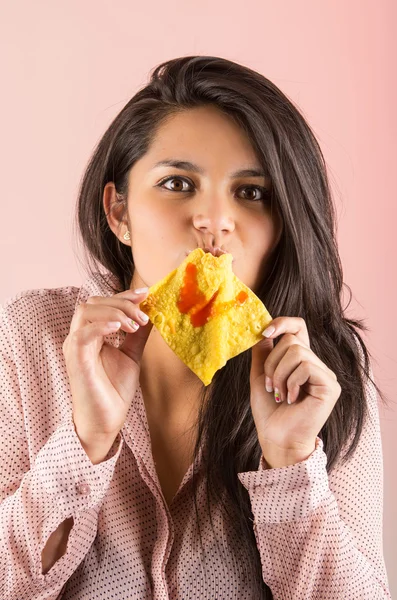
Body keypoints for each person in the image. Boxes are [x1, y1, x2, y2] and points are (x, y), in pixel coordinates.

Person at [0, 55, 391, 599]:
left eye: (251, 193)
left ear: (282, 226)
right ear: (119, 213)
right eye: (178, 183)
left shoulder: (323, 383)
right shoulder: (34, 338)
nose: (213, 220)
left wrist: (290, 466)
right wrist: (85, 441)